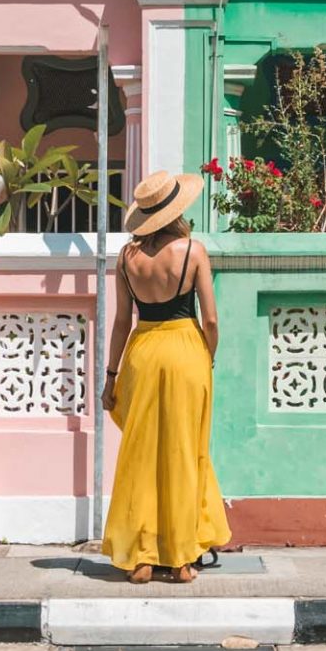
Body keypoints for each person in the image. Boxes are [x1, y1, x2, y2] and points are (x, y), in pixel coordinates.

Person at [100, 170, 232, 583]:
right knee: (183, 451)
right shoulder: (193, 251)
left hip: (142, 350)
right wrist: (207, 356)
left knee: (141, 455)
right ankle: (181, 560)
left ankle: (140, 557)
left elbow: (122, 320)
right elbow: (209, 318)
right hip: (185, 352)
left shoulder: (126, 258)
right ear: (177, 211)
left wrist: (110, 376)